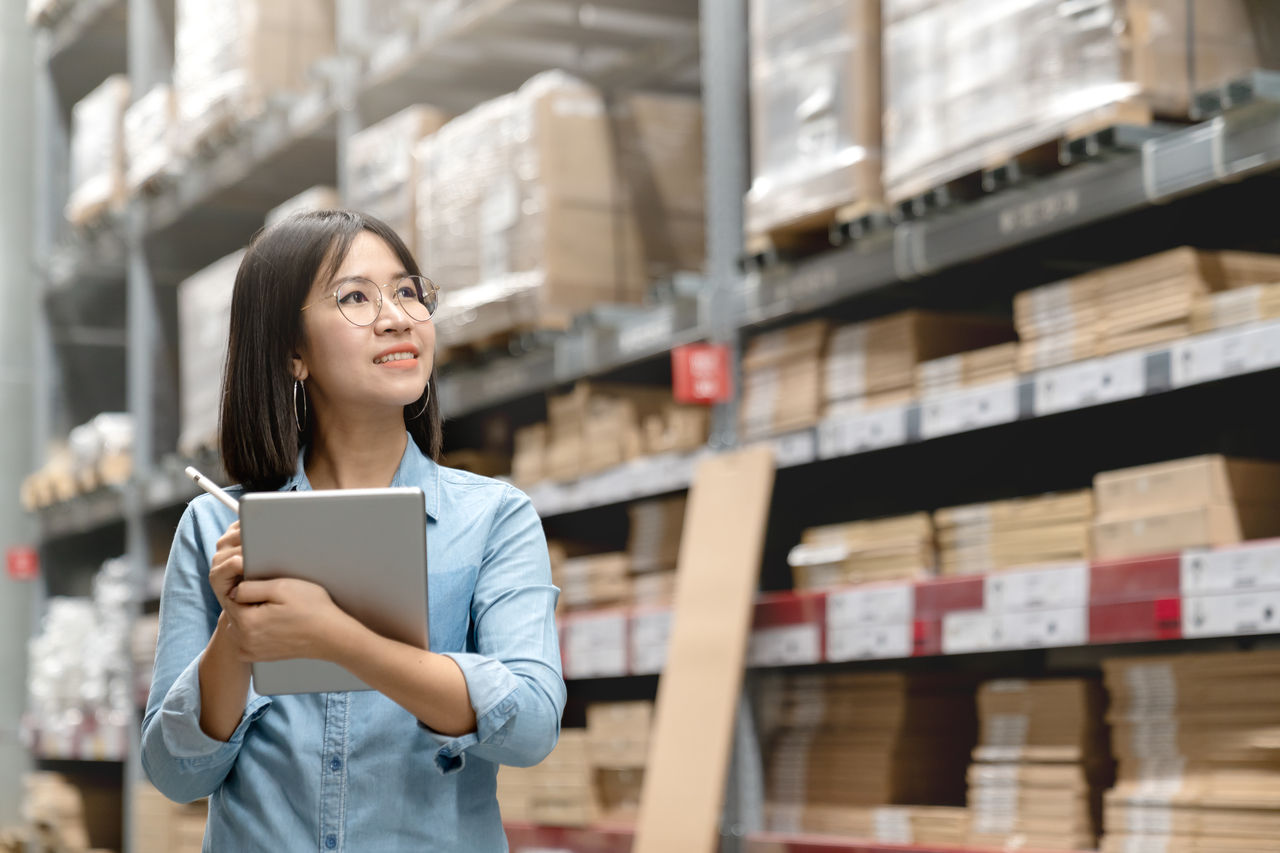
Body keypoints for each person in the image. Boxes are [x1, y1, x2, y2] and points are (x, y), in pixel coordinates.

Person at [141, 210, 565, 851]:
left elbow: (532, 725)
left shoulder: (493, 520)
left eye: (406, 291)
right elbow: (175, 773)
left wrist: (335, 636)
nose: (396, 316)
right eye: (355, 298)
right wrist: (239, 625)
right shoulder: (213, 528)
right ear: (293, 351)